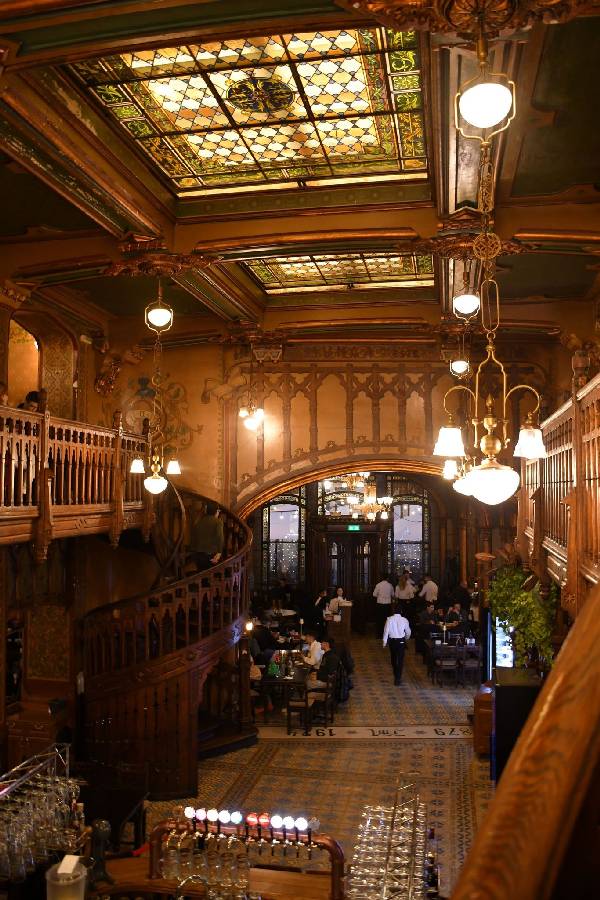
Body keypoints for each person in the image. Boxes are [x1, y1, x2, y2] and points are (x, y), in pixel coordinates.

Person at [189, 499, 224, 571]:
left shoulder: (199, 521)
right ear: (216, 511)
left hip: (198, 555)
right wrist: (219, 553)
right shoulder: (218, 522)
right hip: (211, 555)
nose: (218, 513)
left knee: (201, 574)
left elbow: (193, 538)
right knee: (211, 574)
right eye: (218, 511)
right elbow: (220, 538)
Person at [382, 603, 411, 685]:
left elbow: (386, 631)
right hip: (401, 641)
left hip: (392, 642)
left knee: (393, 658)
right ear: (401, 611)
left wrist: (384, 642)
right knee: (400, 659)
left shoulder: (389, 619)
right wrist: (406, 638)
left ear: (394, 610)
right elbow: (408, 632)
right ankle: (398, 678)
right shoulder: (404, 620)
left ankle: (396, 675)